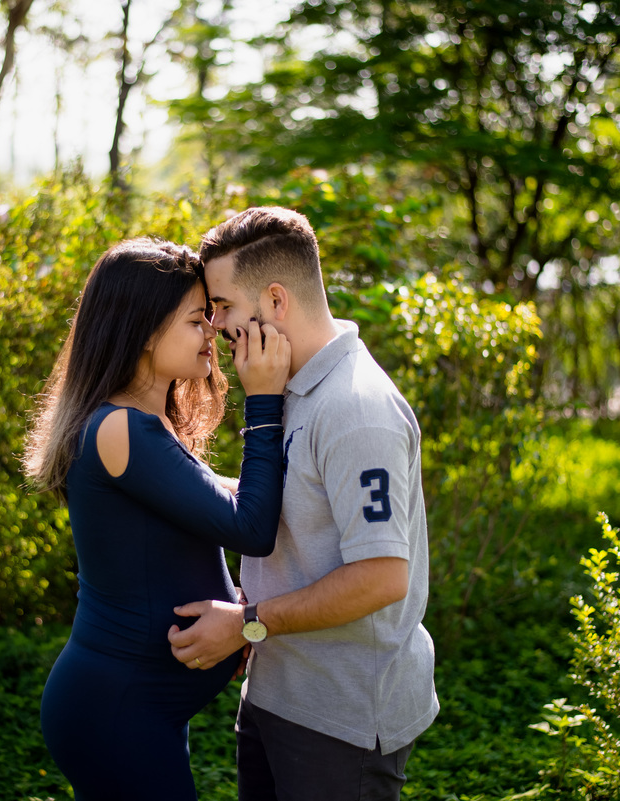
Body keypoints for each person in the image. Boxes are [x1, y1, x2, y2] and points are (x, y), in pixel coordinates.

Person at [167, 208, 440, 801]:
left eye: (225, 309)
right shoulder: (287, 384)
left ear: (275, 301)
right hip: (276, 692)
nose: (215, 328)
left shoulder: (356, 409)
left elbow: (381, 577)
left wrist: (247, 624)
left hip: (339, 719)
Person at [23, 238, 291, 801]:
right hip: (118, 709)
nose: (213, 334)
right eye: (198, 320)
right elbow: (251, 527)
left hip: (134, 708)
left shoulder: (138, 423)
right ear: (145, 331)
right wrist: (264, 400)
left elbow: (226, 504)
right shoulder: (123, 429)